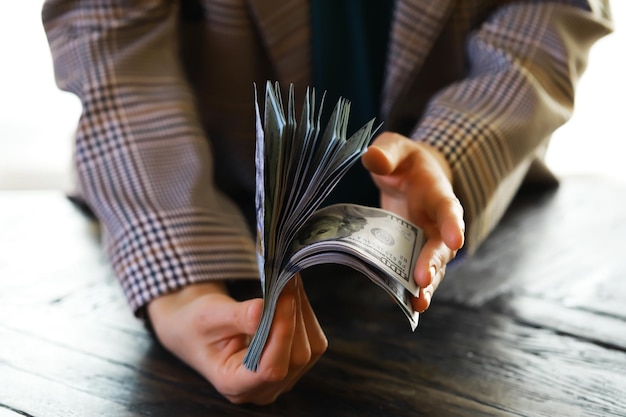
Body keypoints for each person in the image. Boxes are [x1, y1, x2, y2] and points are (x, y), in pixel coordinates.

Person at [42, 0, 612, 405]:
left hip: (471, 215)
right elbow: (110, 42)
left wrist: (452, 150)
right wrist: (181, 284)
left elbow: (552, 12)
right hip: (193, 197)